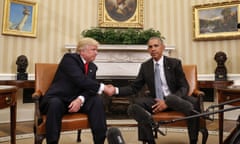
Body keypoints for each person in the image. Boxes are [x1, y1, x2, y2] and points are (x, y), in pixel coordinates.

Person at [108, 37, 200, 144]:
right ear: (148, 50)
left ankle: (193, 141)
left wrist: (166, 102)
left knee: (193, 103)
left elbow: (184, 87)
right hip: (156, 101)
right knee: (136, 105)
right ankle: (150, 140)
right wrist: (115, 90)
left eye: (156, 46)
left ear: (163, 48)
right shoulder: (145, 66)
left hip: (175, 99)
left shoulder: (174, 63)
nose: (153, 49)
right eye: (150, 47)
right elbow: (134, 87)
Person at [39, 37, 115, 144]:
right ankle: (52, 142)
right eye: (94, 50)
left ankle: (100, 141)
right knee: (55, 103)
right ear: (82, 51)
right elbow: (80, 79)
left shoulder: (93, 67)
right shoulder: (69, 59)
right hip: (59, 98)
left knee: (96, 100)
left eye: (97, 50)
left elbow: (90, 89)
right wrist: (104, 88)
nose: (96, 53)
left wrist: (80, 99)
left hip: (77, 101)